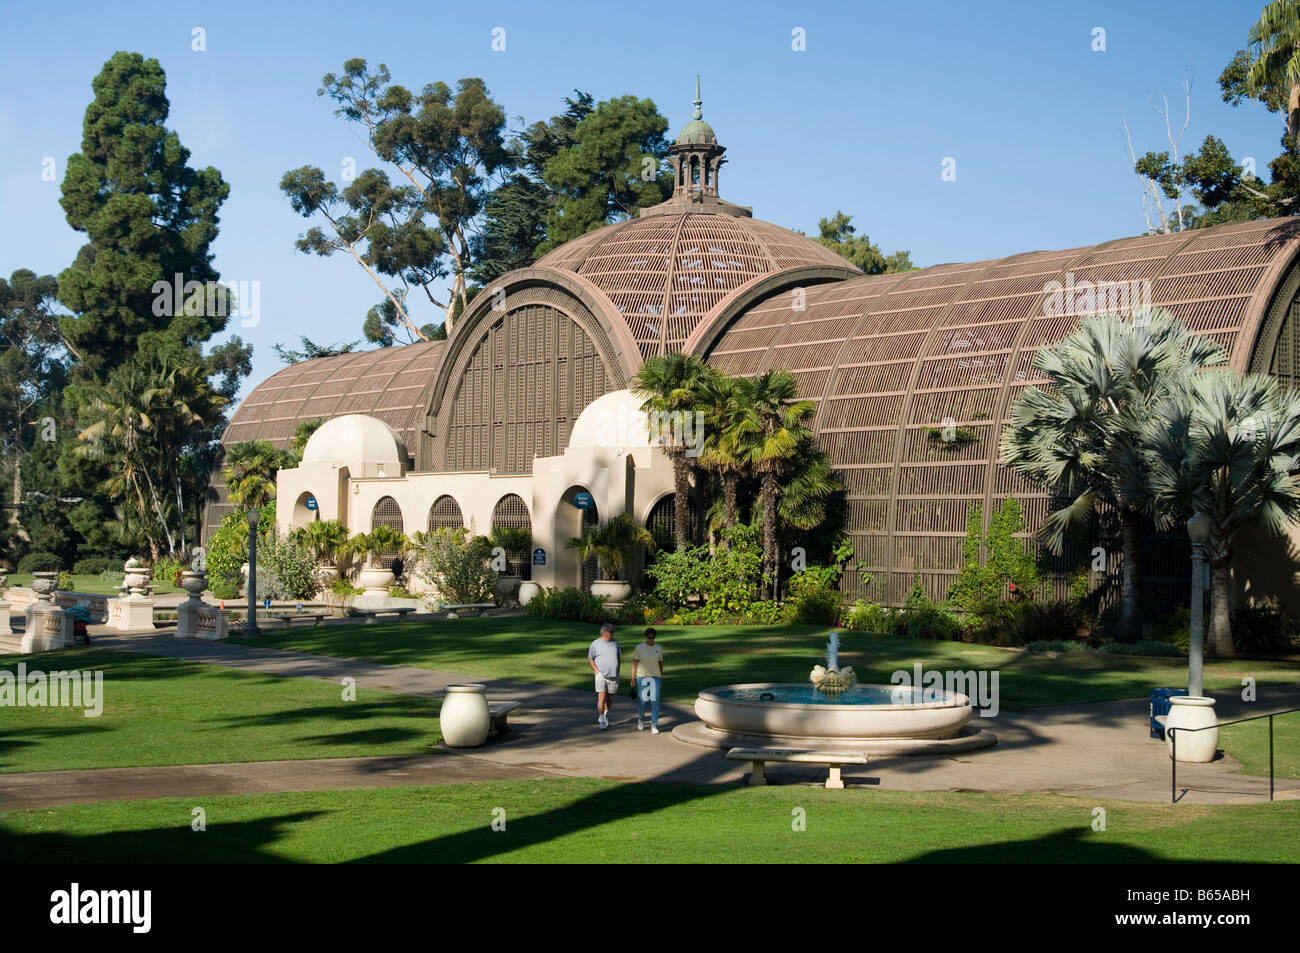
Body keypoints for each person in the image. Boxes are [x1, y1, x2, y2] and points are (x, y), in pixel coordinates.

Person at [587, 622, 620, 730]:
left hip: (613, 675)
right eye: (611, 632)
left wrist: (618, 670)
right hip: (601, 674)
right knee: (601, 697)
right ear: (605, 632)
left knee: (610, 697)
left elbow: (618, 658)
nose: (613, 634)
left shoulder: (615, 643)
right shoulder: (595, 643)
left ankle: (604, 715)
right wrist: (596, 671)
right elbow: (590, 658)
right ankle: (602, 720)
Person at [631, 627, 663, 734]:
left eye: (653, 638)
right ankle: (640, 719)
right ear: (646, 637)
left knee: (655, 701)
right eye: (649, 638)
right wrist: (632, 678)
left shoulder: (659, 648)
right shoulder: (639, 648)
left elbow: (660, 663)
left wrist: (661, 677)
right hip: (642, 676)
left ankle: (654, 725)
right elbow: (634, 663)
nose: (651, 640)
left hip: (656, 676)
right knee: (642, 700)